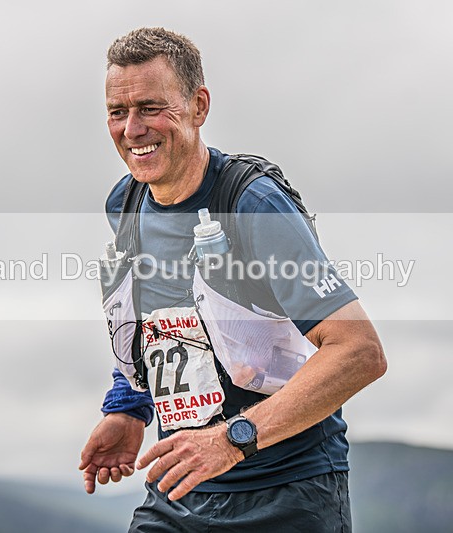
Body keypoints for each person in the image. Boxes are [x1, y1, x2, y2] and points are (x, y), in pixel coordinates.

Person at [79, 27, 386, 532]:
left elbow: (358, 353)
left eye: (151, 108)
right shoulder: (126, 203)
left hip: (287, 494)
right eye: (118, 112)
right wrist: (129, 407)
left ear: (198, 107)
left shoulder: (253, 205)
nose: (132, 129)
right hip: (179, 494)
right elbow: (156, 319)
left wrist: (229, 440)